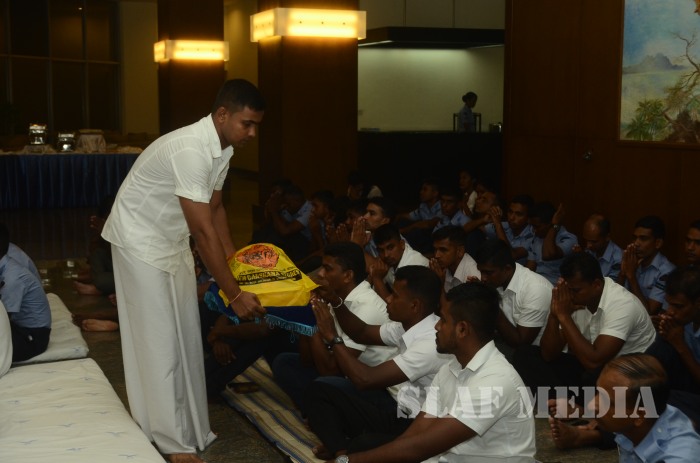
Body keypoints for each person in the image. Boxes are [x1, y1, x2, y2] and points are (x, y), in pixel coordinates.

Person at [101, 79, 267, 463]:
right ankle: (171, 441)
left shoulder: (222, 148)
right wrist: (234, 294)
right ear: (222, 114)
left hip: (170, 240)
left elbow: (216, 208)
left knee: (186, 334)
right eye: (247, 123)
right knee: (159, 339)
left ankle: (191, 425)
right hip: (139, 241)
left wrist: (235, 265)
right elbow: (203, 232)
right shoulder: (191, 149)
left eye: (256, 125)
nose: (252, 133)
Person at [327, 282, 537, 463]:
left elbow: (418, 448)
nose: (436, 326)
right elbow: (414, 437)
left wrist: (347, 461)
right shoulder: (449, 368)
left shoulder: (495, 381)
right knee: (369, 449)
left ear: (462, 329)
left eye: (443, 320)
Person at [305, 266, 449, 459]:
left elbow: (365, 379)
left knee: (363, 444)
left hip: (416, 424)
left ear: (415, 306)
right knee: (322, 388)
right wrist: (335, 301)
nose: (388, 299)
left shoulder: (429, 343)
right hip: (396, 404)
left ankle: (347, 453)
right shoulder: (408, 324)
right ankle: (341, 450)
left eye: (395, 295)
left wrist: (333, 337)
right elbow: (362, 332)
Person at [514, 252, 656, 412]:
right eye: (567, 289)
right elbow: (548, 354)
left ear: (596, 285)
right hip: (593, 368)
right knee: (524, 354)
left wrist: (564, 316)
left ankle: (580, 409)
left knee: (591, 376)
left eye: (575, 290)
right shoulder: (574, 299)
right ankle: (571, 406)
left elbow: (594, 362)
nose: (570, 295)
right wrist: (555, 315)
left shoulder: (622, 304)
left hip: (631, 377)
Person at [271, 241, 395, 412]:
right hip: (343, 374)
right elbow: (307, 360)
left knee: (325, 383)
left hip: (375, 387)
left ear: (347, 276)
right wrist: (308, 313)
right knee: (284, 363)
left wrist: (314, 322)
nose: (320, 274)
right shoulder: (335, 296)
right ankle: (318, 411)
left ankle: (325, 414)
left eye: (327, 269)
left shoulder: (366, 307)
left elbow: (331, 371)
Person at [588, 354, 700, 461]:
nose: (591, 405)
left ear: (639, 416)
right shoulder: (648, 415)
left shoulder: (677, 458)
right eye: (598, 392)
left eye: (607, 402)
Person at [475, 239, 552, 353]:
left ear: (507, 269)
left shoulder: (535, 289)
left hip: (534, 355)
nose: (483, 278)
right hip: (505, 343)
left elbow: (521, 343)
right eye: (481, 271)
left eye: (488, 273)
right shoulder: (498, 281)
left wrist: (491, 304)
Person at [0, 223, 51, 362]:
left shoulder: (12, 278)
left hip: (32, 336)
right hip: (17, 327)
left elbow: (3, 321)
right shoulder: (5, 266)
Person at [617, 215, 676, 315]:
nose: (636, 243)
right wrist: (623, 274)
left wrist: (631, 276)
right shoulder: (633, 261)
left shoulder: (667, 271)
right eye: (635, 238)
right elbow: (615, 297)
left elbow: (649, 312)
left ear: (658, 243)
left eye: (643, 239)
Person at [367, 224, 429, 302]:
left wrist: (377, 279)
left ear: (402, 244)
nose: (386, 255)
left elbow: (395, 306)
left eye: (390, 248)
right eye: (381, 250)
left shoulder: (414, 264)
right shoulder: (389, 260)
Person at [526, 202, 578, 285]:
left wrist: (555, 226)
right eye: (532, 226)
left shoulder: (569, 239)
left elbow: (548, 255)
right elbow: (530, 268)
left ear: (550, 223)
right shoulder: (537, 237)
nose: (534, 230)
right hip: (537, 283)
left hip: (556, 286)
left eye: (537, 226)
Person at [484, 194, 535, 265]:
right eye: (510, 212)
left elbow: (511, 255)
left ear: (528, 218)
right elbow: (481, 229)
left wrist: (498, 224)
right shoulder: (506, 225)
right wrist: (485, 218)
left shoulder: (533, 235)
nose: (511, 218)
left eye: (518, 214)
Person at [429, 225, 480, 294]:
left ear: (460, 251)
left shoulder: (472, 275)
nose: (436, 255)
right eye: (435, 250)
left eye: (443, 250)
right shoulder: (445, 268)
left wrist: (440, 283)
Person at [578, 213, 622, 280]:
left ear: (607, 237)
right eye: (586, 240)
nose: (588, 245)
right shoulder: (589, 251)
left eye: (594, 242)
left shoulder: (618, 259)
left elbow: (610, 285)